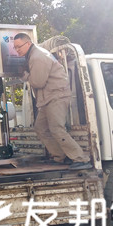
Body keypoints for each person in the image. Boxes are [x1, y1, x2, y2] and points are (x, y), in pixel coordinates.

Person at [13, 33, 92, 170]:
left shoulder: (38, 56)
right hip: (48, 98)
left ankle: (81, 158)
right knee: (40, 128)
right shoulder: (33, 55)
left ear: (28, 43)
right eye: (15, 48)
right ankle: (60, 156)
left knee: (56, 128)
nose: (17, 50)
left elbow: (38, 82)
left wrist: (24, 76)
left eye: (19, 46)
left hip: (56, 96)